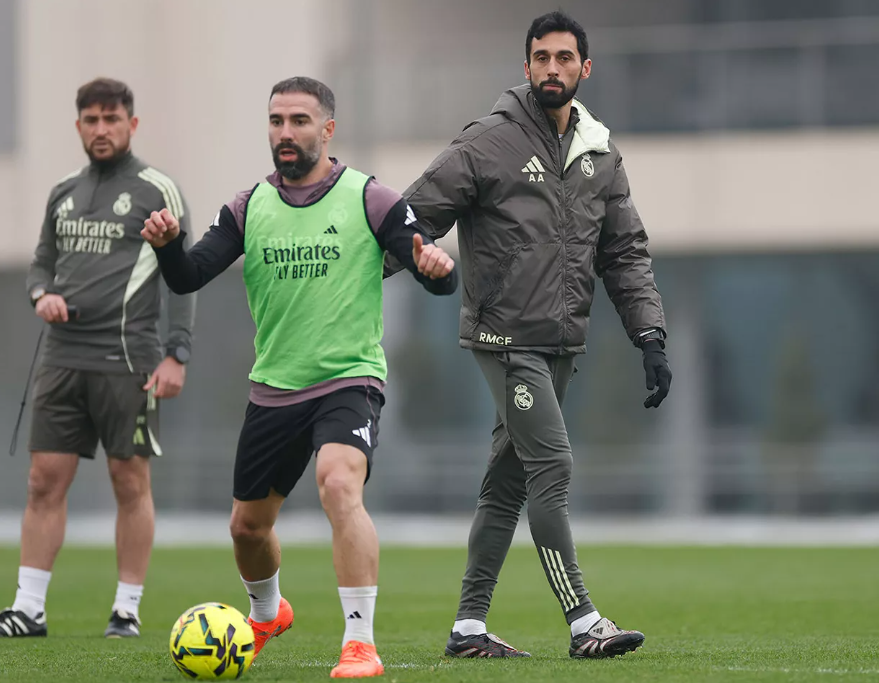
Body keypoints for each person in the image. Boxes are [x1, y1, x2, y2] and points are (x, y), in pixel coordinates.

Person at [141, 76, 457, 679]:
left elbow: (432, 271)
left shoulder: (371, 199)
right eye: (276, 121)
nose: (285, 133)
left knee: (338, 484)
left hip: (349, 379)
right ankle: (267, 611)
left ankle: (360, 643)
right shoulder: (246, 206)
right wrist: (168, 246)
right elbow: (187, 277)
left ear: (327, 129)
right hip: (274, 390)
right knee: (246, 528)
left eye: (299, 121)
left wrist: (436, 269)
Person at [393, 10, 672, 660]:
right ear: (526, 67)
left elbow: (625, 251)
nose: (552, 68)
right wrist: (367, 277)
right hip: (504, 338)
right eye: (541, 57)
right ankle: (582, 621)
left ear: (584, 68)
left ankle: (467, 629)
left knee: (508, 484)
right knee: (554, 467)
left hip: (561, 342)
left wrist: (650, 334)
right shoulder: (488, 142)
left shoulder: (600, 149)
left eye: (564, 58)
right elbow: (409, 218)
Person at [1, 78, 196, 640]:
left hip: (129, 358)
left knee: (128, 480)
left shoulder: (158, 189)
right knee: (43, 481)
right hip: (61, 359)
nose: (101, 129)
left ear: (132, 124)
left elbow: (184, 280)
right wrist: (44, 296)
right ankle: (29, 609)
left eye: (112, 119)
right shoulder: (63, 191)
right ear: (79, 125)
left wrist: (176, 353)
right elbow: (41, 265)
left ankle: (126, 610)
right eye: (91, 119)